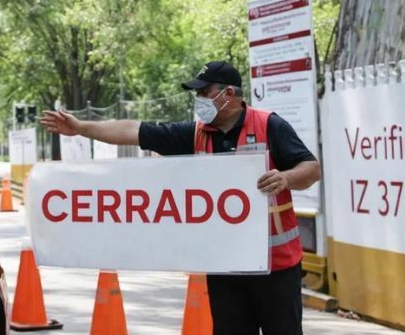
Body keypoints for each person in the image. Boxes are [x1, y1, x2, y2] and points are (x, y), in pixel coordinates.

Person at [39, 60, 321, 335]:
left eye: (204, 92)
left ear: (228, 94)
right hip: (226, 265)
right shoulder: (196, 134)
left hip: (277, 266)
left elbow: (311, 169)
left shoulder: (269, 125)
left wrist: (285, 178)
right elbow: (132, 131)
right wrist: (80, 128)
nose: (199, 99)